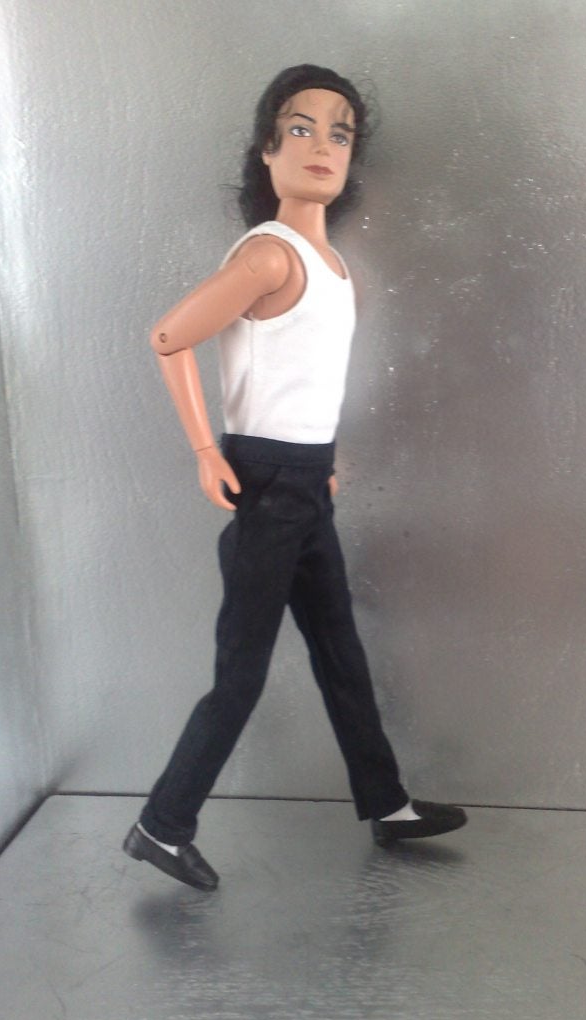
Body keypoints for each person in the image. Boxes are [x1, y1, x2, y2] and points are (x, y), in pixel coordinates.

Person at [123, 64, 466, 891]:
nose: (322, 146)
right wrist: (207, 452)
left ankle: (386, 803)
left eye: (339, 133)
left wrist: (321, 462)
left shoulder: (330, 264)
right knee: (242, 671)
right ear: (268, 150)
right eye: (301, 129)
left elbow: (301, 376)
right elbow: (169, 337)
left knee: (340, 648)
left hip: (305, 481)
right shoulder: (271, 257)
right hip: (267, 481)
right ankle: (161, 825)